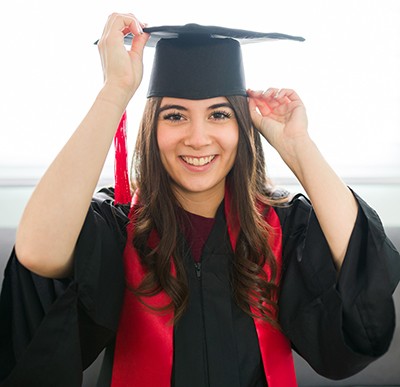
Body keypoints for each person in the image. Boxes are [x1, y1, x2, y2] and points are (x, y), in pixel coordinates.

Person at [0, 13, 399, 387]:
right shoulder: (119, 228)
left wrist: (298, 147)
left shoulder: (283, 228)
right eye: (175, 116)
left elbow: (366, 279)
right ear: (152, 129)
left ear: (242, 127)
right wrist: (114, 93)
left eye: (219, 115)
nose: (197, 137)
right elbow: (37, 254)